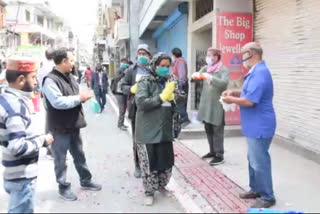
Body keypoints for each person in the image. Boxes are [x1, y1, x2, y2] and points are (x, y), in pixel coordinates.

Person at [42, 48, 102, 201]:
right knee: (60, 160)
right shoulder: (50, 80)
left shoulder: (71, 77)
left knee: (79, 155)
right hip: (59, 127)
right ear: (63, 61)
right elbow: (57, 102)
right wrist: (79, 98)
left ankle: (86, 180)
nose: (73, 63)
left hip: (73, 124)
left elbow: (76, 93)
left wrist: (85, 96)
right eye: (72, 60)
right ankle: (63, 187)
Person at [222, 42, 276, 208]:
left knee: (259, 161)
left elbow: (249, 101)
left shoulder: (260, 73)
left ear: (251, 53)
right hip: (254, 124)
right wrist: (234, 92)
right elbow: (248, 93)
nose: (241, 56)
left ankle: (267, 196)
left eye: (243, 53)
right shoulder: (254, 72)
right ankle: (256, 189)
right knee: (253, 159)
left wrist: (231, 100)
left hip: (260, 125)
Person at [0, 58, 54, 213]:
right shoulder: (16, 106)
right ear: (21, 79)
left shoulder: (6, 99)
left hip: (13, 174)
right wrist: (42, 140)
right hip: (21, 177)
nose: (36, 81)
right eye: (33, 77)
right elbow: (17, 146)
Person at [135, 53, 176, 206]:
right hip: (148, 130)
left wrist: (175, 96)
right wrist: (162, 97)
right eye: (162, 66)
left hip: (164, 128)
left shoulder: (170, 80)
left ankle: (161, 185)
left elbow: (179, 100)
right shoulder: (145, 81)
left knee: (165, 161)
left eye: (167, 66)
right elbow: (141, 103)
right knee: (150, 163)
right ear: (154, 65)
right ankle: (149, 191)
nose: (165, 69)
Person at [121, 44, 152, 178]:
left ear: (149, 56)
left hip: (152, 108)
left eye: (144, 54)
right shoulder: (131, 71)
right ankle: (138, 165)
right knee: (137, 139)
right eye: (140, 53)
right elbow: (122, 86)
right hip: (137, 109)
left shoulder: (153, 70)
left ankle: (151, 163)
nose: (142, 56)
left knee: (151, 139)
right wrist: (132, 89)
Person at [196, 48, 230, 166]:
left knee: (217, 129)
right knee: (208, 128)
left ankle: (219, 155)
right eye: (207, 55)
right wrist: (196, 75)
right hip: (206, 105)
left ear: (216, 57)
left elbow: (224, 83)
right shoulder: (206, 68)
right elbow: (198, 75)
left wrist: (211, 78)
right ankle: (212, 151)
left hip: (217, 105)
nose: (207, 57)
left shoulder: (223, 69)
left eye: (209, 55)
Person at [171, 47, 190, 128]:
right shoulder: (177, 62)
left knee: (180, 103)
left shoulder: (180, 61)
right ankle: (182, 119)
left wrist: (179, 86)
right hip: (179, 84)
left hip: (181, 85)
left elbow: (182, 75)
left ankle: (185, 119)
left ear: (174, 55)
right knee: (181, 102)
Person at [111, 58, 129, 131]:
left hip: (124, 92)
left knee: (124, 109)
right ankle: (120, 124)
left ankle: (122, 123)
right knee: (122, 109)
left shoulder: (127, 70)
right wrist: (123, 73)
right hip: (118, 92)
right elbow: (116, 79)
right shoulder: (119, 70)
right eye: (123, 62)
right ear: (121, 63)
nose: (125, 64)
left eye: (126, 62)